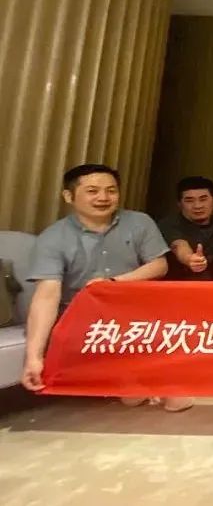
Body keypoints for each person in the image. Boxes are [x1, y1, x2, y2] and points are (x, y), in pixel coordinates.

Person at [21, 164, 191, 412]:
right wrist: (33, 357)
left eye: (111, 191)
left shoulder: (139, 222)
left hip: (133, 311)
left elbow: (159, 265)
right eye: (92, 191)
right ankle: (134, 381)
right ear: (68, 196)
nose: (103, 197)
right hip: (83, 319)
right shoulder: (53, 238)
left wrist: (114, 284)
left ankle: (144, 381)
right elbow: (47, 295)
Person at [157, 176, 213, 280]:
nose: (197, 206)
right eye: (189, 201)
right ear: (179, 204)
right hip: (179, 284)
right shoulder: (169, 224)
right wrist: (189, 258)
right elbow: (178, 245)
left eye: (203, 199)